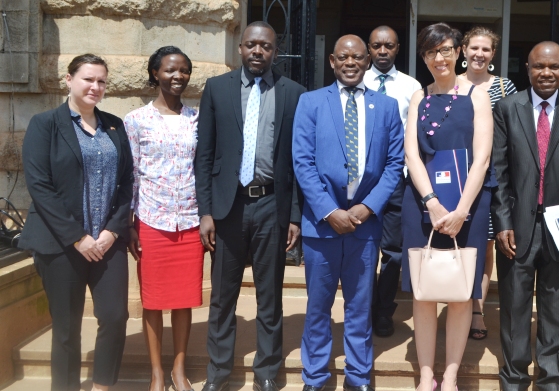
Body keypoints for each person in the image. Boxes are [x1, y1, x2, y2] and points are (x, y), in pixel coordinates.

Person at [195, 21, 306, 391]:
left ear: (276, 51)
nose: (258, 52)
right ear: (240, 48)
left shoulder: (294, 93)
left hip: (272, 205)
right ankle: (218, 373)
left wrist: (294, 216)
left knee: (269, 298)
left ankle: (268, 373)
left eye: (267, 47)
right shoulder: (216, 89)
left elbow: (297, 161)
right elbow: (205, 155)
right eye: (251, 45)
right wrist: (206, 212)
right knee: (223, 298)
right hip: (228, 209)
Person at [293, 35, 403, 391]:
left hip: (365, 226)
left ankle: (358, 378)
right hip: (321, 228)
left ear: (368, 60)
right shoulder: (310, 103)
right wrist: (328, 211)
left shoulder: (385, 107)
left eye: (358, 56)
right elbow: (303, 162)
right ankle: (315, 377)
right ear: (332, 61)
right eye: (344, 57)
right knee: (318, 309)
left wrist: (367, 207)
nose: (351, 62)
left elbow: (394, 164)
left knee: (359, 309)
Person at [19, 54, 133, 391]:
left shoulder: (115, 125)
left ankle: (102, 386)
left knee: (114, 318)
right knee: (67, 328)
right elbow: (39, 186)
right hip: (62, 245)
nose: (95, 87)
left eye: (101, 81)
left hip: (107, 243)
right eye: (88, 79)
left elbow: (126, 182)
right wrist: (77, 237)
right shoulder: (45, 124)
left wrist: (113, 230)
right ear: (69, 80)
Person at [491, 41, 559, 390]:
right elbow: (499, 171)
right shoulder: (508, 108)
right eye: (540, 67)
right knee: (514, 313)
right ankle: (514, 381)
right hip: (517, 230)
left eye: (556, 67)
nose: (548, 74)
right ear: (527, 68)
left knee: (556, 312)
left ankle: (552, 383)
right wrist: (503, 223)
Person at [401, 23, 493, 391]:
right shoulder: (417, 97)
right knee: (424, 294)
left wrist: (461, 210)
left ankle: (451, 375)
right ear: (423, 57)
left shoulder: (477, 95)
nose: (439, 58)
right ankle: (426, 375)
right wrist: (433, 203)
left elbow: (482, 158)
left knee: (459, 295)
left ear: (458, 52)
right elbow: (412, 153)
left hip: (468, 204)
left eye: (445, 50)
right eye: (430, 52)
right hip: (422, 205)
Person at [124, 46, 201, 391]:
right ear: (155, 73)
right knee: (153, 300)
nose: (177, 76)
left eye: (184, 70)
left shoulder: (198, 118)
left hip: (190, 219)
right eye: (170, 70)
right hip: (151, 220)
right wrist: (129, 224)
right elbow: (131, 175)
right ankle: (157, 373)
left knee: (184, 299)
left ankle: (178, 369)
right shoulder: (136, 120)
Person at [458, 26, 517, 341]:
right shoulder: (450, 85)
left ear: (493, 54)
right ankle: (457, 304)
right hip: (458, 175)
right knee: (462, 242)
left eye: (486, 49)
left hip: (495, 176)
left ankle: (476, 309)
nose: (479, 54)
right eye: (474, 48)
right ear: (464, 49)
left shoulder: (505, 87)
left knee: (487, 244)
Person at [363, 25, 422, 338]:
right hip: (362, 181)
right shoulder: (356, 80)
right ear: (369, 48)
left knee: (393, 251)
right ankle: (363, 308)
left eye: (388, 46)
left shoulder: (412, 87)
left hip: (398, 180)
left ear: (398, 48)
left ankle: (383, 310)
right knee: (363, 248)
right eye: (376, 46)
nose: (382, 52)